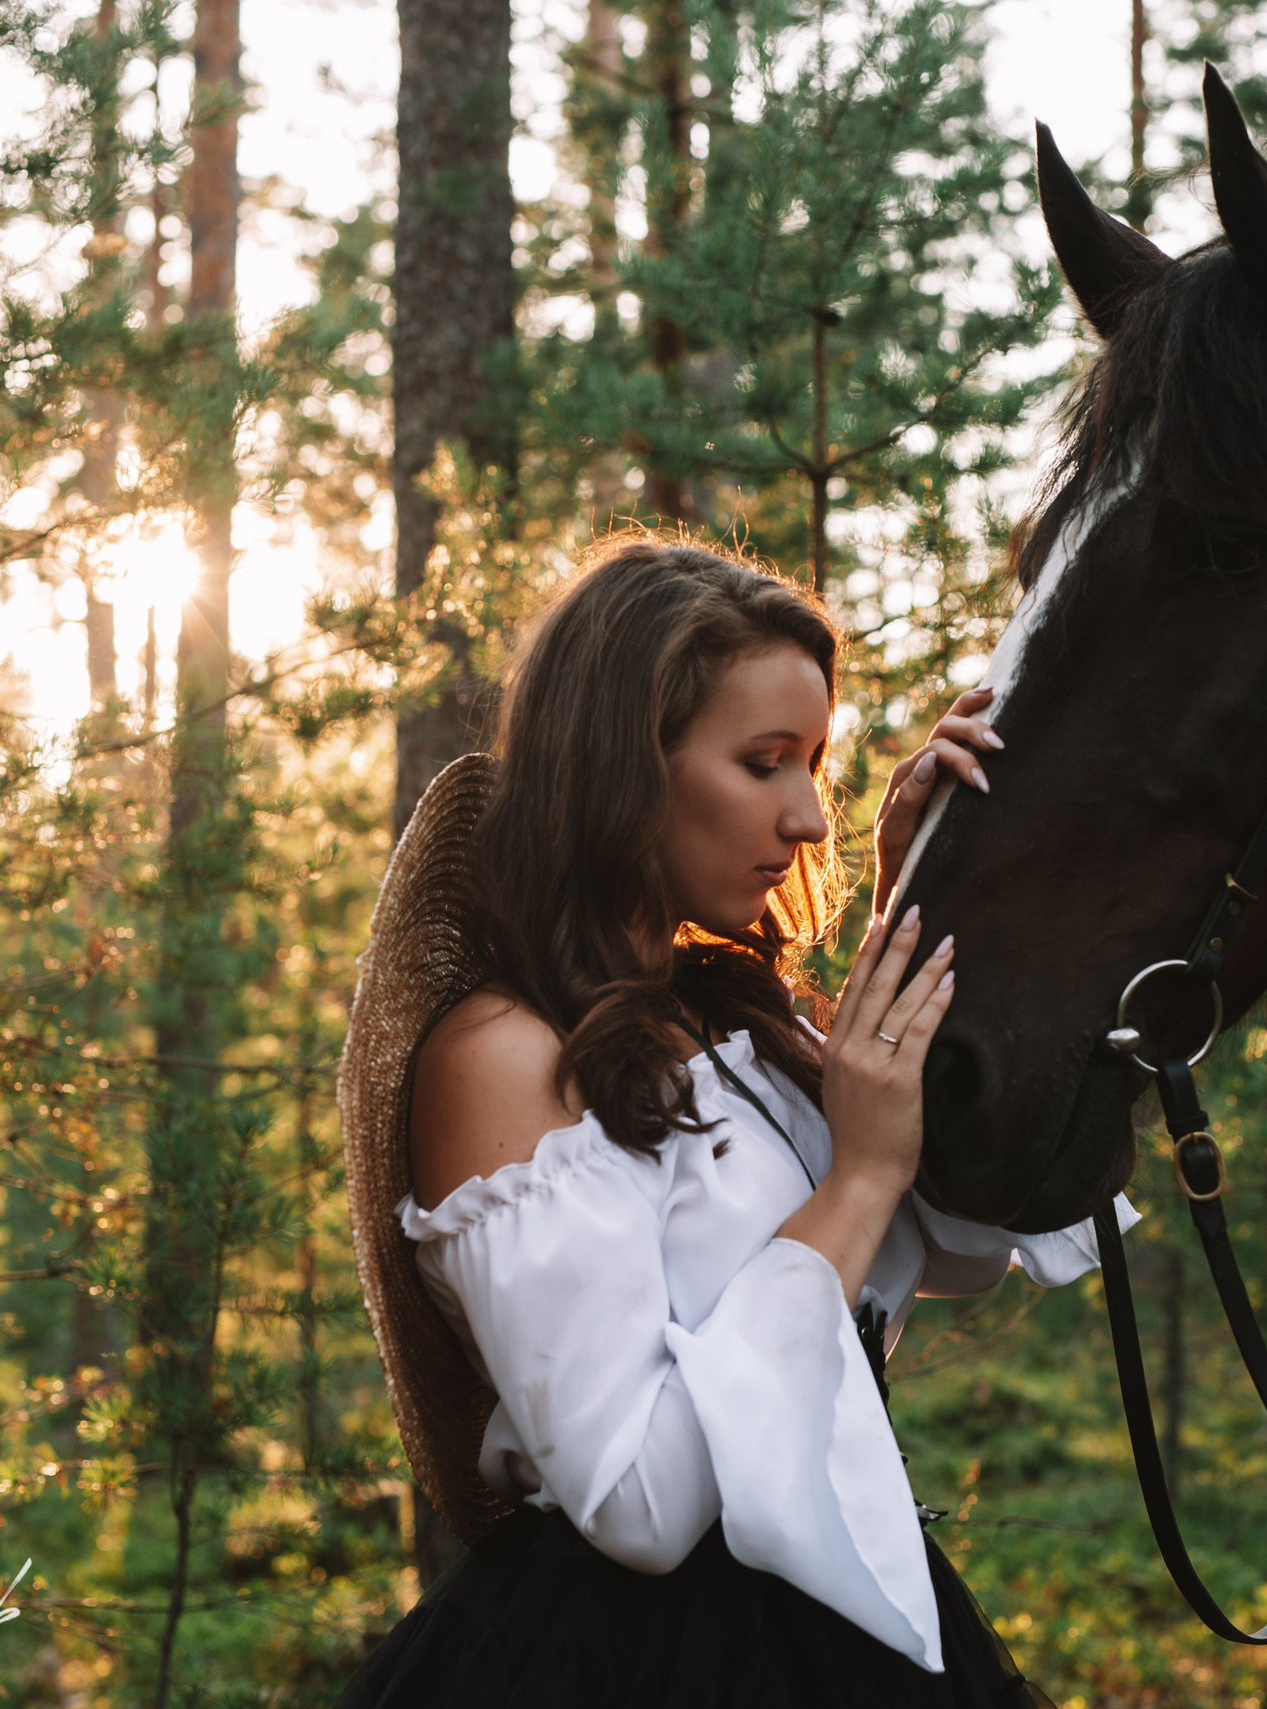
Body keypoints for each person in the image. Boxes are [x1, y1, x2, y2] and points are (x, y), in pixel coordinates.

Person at [332, 538, 1135, 1707]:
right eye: (764, 763)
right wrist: (854, 1179)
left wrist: (924, 894)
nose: (811, 817)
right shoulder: (502, 1060)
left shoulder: (729, 1024)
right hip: (636, 1658)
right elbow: (641, 1507)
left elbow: (958, 1241)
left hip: (832, 1614)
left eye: (814, 762)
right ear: (621, 767)